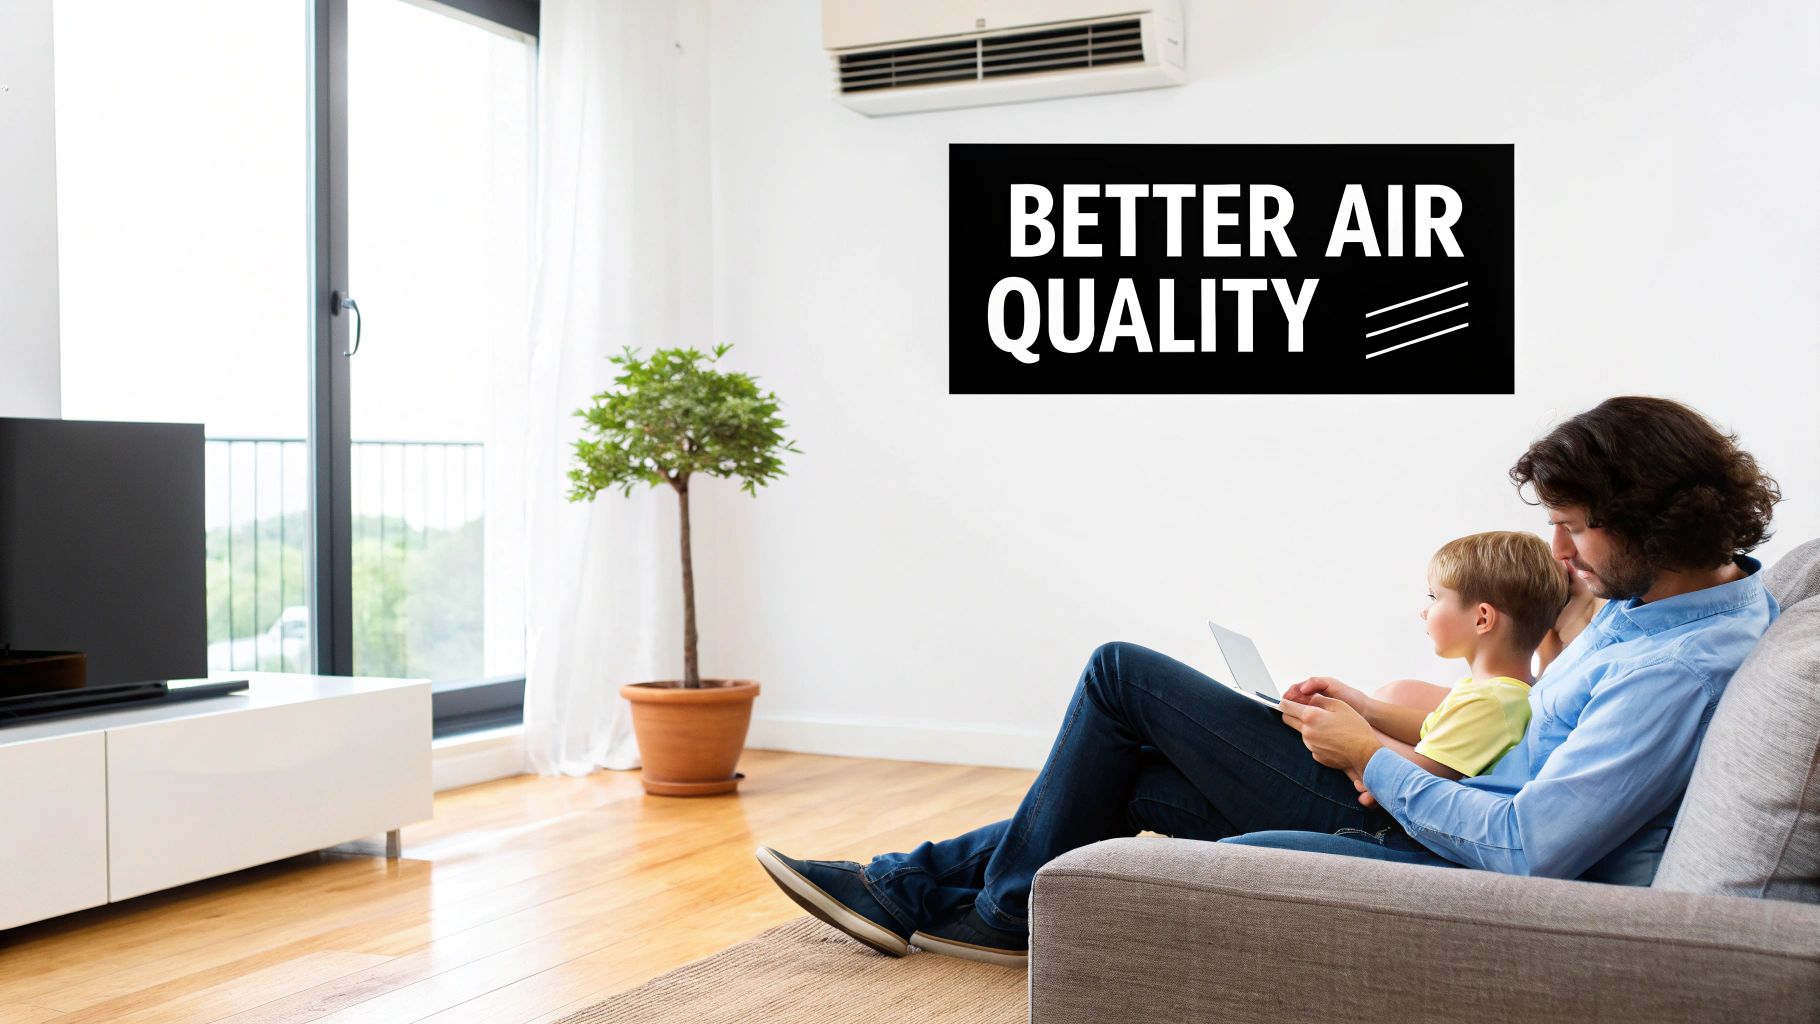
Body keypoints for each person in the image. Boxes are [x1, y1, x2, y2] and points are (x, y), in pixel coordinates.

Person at [755, 396, 1782, 969]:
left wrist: (1372, 756)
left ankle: (992, 902)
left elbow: (1531, 846)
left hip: (1439, 851)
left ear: (1660, 521)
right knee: (1144, 766)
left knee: (1120, 678)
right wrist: (1381, 728)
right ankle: (911, 883)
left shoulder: (1678, 665)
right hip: (1428, 804)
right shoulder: (1669, 604)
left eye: (1575, 526)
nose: (1556, 550)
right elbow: (1513, 723)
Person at [1288, 530, 1572, 800]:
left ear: (1481, 619)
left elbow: (1422, 775)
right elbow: (1436, 729)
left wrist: (1352, 737)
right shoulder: (1496, 692)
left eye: (1435, 597)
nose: (1424, 610)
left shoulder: (1493, 703)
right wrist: (1362, 709)